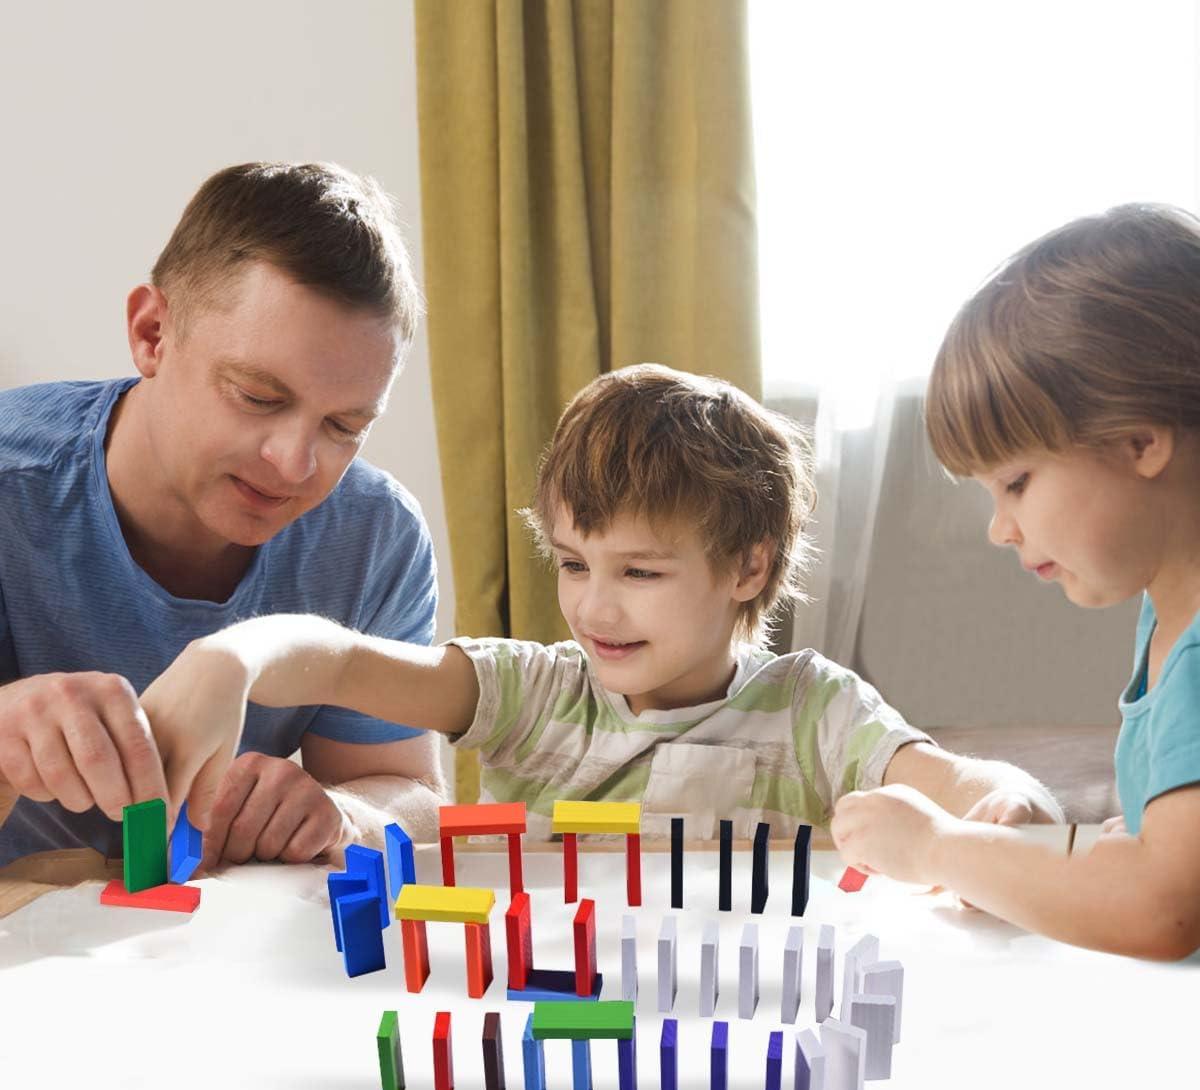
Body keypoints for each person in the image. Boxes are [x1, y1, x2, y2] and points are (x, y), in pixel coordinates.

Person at [138, 363, 1060, 851]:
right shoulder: (534, 691)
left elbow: (957, 782)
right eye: (574, 564)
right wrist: (234, 659)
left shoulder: (815, 709)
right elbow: (341, 661)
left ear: (748, 566)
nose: (594, 608)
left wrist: (1001, 804)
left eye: (641, 573)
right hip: (539, 1007)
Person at [0, 161, 444, 873]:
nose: (294, 463)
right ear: (151, 334)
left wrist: (346, 814)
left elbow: (411, 790)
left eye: (343, 426)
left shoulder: (373, 534)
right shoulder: (10, 491)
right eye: (259, 397)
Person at [831, 202, 1200, 961]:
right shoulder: (1168, 617)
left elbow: (1159, 915)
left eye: (1018, 483)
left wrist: (937, 847)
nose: (1000, 528)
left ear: (1140, 440)